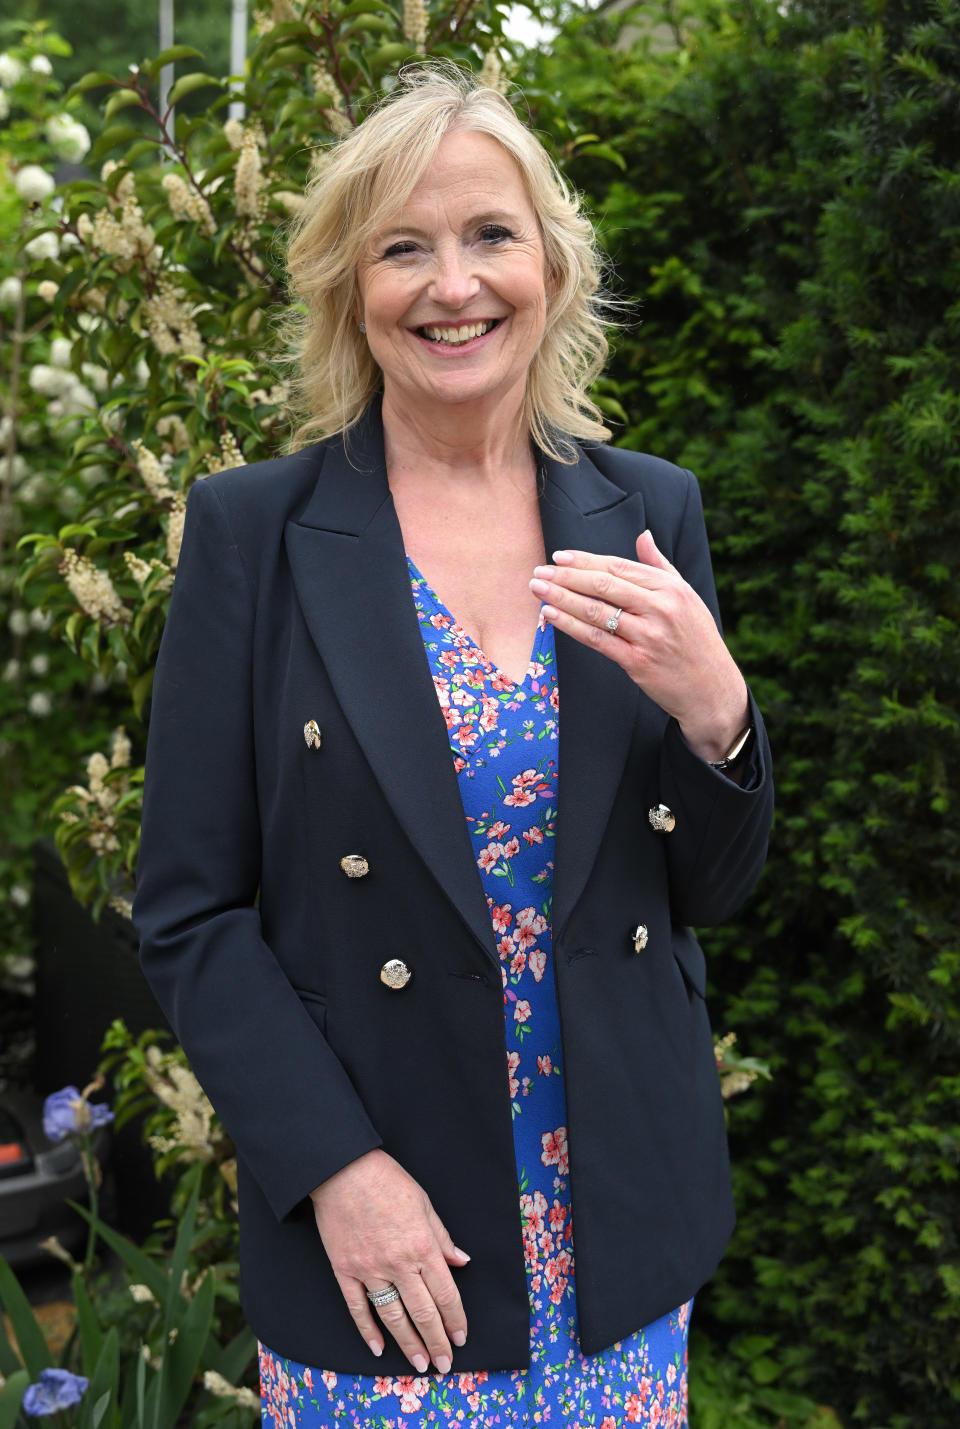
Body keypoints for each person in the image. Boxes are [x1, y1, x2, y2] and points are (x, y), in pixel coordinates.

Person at [133, 64, 774, 1429]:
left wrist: (717, 715)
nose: (453, 285)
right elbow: (189, 910)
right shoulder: (260, 533)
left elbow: (699, 895)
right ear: (350, 289)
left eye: (490, 236)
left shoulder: (646, 509)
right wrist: (334, 1169)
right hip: (389, 1249)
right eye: (403, 249)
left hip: (618, 1228)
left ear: (550, 262)